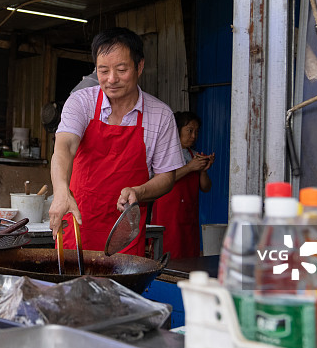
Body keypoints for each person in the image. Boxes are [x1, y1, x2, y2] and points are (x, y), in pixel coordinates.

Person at [49, 27, 183, 256]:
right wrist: (61, 191)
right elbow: (64, 147)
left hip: (126, 239)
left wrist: (139, 192)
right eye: (103, 71)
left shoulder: (160, 115)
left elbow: (166, 177)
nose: (111, 79)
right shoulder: (81, 103)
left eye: (121, 70)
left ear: (139, 67)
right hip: (78, 230)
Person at [150, 111, 214, 259]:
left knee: (189, 255)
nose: (193, 136)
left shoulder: (194, 155)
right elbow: (160, 180)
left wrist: (203, 170)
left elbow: (206, 187)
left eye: (196, 131)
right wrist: (190, 167)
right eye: (189, 131)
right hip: (168, 215)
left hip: (188, 214)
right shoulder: (165, 153)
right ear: (177, 130)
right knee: (168, 253)